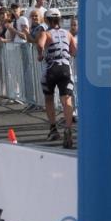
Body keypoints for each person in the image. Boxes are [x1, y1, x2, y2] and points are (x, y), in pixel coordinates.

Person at [36, 9, 76, 149]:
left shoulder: (45, 33)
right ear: (59, 20)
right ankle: (68, 129)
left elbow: (40, 44)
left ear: (47, 20)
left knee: (49, 97)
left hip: (51, 69)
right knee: (67, 100)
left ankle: (53, 129)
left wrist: (40, 55)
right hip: (65, 68)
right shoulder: (68, 33)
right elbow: (74, 51)